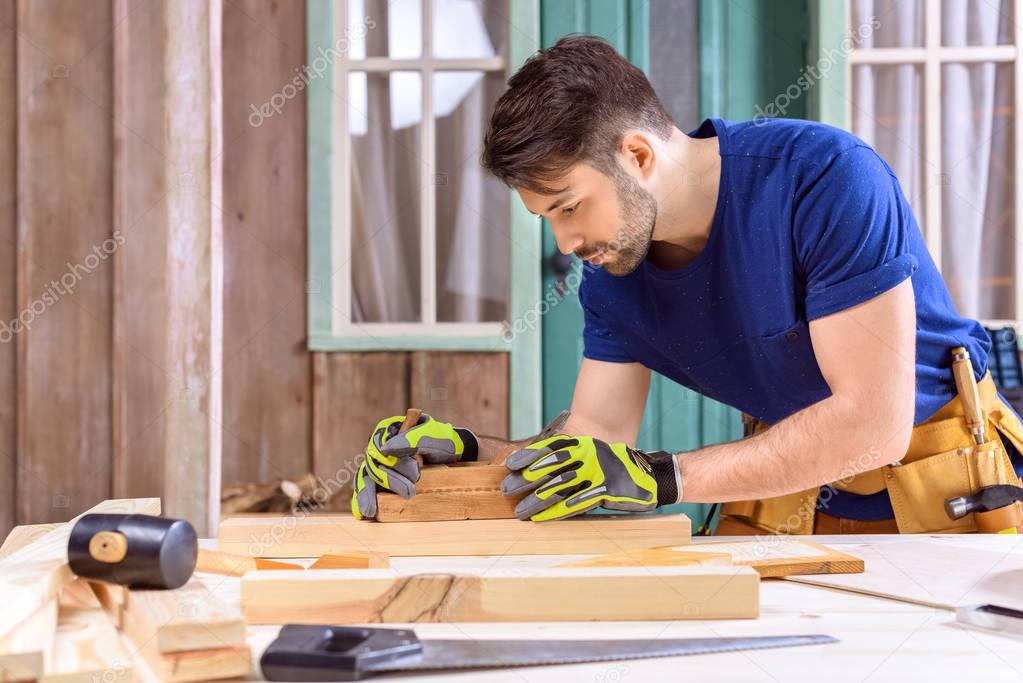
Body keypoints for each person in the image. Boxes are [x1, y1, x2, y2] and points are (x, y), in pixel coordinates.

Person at [351, 35, 1023, 535]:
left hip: (946, 485)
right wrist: (460, 455)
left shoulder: (824, 179)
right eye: (545, 219)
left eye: (567, 207)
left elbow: (873, 428)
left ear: (637, 156)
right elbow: (593, 448)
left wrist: (661, 477)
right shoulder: (612, 276)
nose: (564, 243)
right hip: (788, 495)